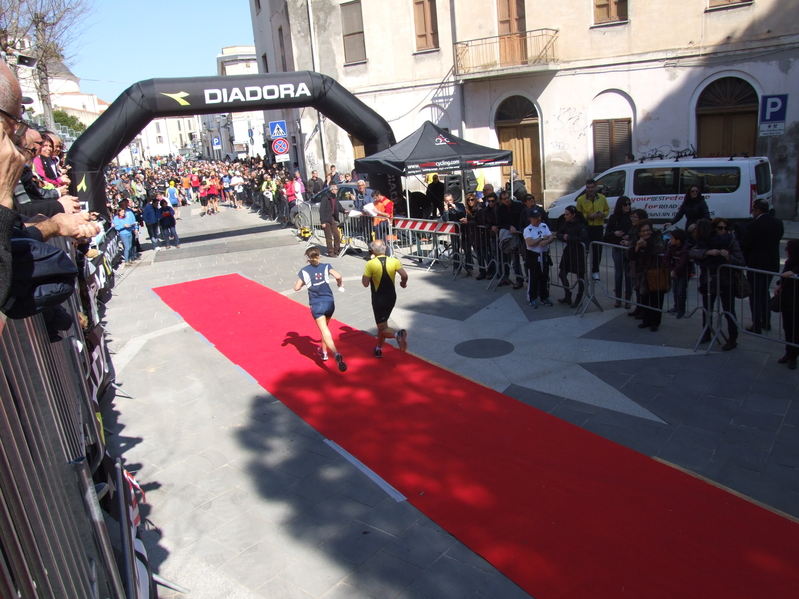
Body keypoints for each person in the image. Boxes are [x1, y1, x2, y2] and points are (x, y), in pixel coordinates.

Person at [689, 218, 745, 351]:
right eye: (720, 228)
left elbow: (741, 261)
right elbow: (692, 252)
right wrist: (706, 252)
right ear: (714, 229)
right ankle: (706, 332)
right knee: (707, 308)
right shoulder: (706, 240)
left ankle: (732, 338)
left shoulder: (731, 241)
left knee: (728, 310)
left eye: (726, 228)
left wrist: (728, 257)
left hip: (727, 281)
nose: (723, 231)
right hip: (709, 280)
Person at [293, 247, 347, 372]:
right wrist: (340, 283)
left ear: (307, 257)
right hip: (329, 302)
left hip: (317, 304)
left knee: (325, 331)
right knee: (326, 329)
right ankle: (323, 352)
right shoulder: (326, 266)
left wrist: (305, 283)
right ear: (319, 255)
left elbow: (296, 288)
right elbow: (338, 275)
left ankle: (335, 353)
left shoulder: (304, 271)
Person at [740, 199, 783, 334]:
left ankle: (757, 324)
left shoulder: (754, 225)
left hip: (756, 264)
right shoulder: (778, 222)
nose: (752, 213)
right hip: (771, 264)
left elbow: (745, 244)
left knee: (755, 295)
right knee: (764, 293)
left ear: (758, 210)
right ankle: (766, 321)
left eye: (753, 210)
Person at [362, 239, 408, 357]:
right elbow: (404, 275)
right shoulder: (394, 261)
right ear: (385, 248)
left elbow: (365, 283)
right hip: (391, 297)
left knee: (382, 327)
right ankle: (378, 349)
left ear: (372, 250)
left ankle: (398, 335)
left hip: (379, 299)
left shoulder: (370, 264)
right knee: (382, 325)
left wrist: (368, 273)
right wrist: (403, 283)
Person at [628, 219, 666, 332]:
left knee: (656, 299)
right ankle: (646, 320)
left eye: (648, 230)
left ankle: (655, 323)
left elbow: (660, 248)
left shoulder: (657, 237)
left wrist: (647, 245)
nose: (645, 233)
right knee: (644, 297)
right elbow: (629, 254)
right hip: (642, 273)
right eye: (643, 231)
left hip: (655, 272)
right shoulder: (636, 238)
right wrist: (637, 247)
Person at [576, 178, 609, 280]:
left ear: (595, 187)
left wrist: (603, 214)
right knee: (584, 251)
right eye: (588, 187)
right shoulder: (581, 199)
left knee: (597, 251)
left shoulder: (602, 198)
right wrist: (588, 216)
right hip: (586, 228)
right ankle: (581, 271)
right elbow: (578, 214)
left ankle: (595, 271)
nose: (590, 190)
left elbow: (607, 210)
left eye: (592, 187)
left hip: (598, 227)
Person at [556, 205, 589, 308]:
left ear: (573, 215)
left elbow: (583, 237)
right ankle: (567, 295)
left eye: (567, 215)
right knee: (562, 274)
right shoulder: (567, 224)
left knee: (580, 277)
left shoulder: (581, 225)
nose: (565, 216)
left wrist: (569, 238)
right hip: (568, 251)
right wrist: (563, 237)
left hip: (578, 252)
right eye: (565, 214)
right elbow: (559, 233)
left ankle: (579, 298)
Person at [604, 196, 633, 308]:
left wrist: (629, 237)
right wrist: (615, 234)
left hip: (629, 248)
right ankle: (618, 298)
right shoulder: (614, 217)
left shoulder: (632, 217)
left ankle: (628, 299)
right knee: (618, 274)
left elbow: (636, 231)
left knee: (629, 274)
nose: (627, 207)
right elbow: (607, 233)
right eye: (625, 204)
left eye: (629, 204)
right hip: (617, 247)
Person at [774, 240, 799, 369]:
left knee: (795, 328)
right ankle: (789, 352)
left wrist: (794, 272)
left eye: (788, 249)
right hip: (787, 300)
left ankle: (793, 356)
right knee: (787, 327)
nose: (786, 251)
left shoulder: (795, 265)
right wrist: (779, 284)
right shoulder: (789, 262)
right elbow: (784, 276)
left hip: (796, 302)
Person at [523, 206, 554, 308]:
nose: (538, 219)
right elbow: (530, 242)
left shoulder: (544, 226)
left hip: (544, 255)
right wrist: (541, 238)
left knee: (544, 277)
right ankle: (532, 298)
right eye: (535, 217)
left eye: (539, 216)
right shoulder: (528, 229)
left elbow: (550, 237)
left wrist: (546, 241)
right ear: (530, 218)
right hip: (533, 256)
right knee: (533, 278)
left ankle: (544, 297)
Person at [495, 190, 525, 288]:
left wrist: (520, 228)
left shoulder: (518, 206)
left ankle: (525, 279)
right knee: (510, 259)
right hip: (510, 236)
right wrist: (509, 227)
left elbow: (524, 218)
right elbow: (501, 223)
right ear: (501, 200)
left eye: (508, 198)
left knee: (522, 259)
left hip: (521, 235)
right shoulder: (500, 210)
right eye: (504, 199)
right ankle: (512, 278)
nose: (507, 200)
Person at [664, 228, 691, 319]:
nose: (670, 240)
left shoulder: (686, 247)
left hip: (683, 272)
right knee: (675, 290)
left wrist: (675, 270)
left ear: (678, 241)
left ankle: (681, 309)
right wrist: (672, 270)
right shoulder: (671, 246)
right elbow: (666, 258)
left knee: (681, 291)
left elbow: (682, 262)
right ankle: (676, 307)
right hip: (675, 271)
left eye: (672, 238)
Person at [319, 184, 347, 257]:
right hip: (326, 219)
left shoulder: (335, 198)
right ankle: (330, 252)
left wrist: (344, 211)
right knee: (328, 236)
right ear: (332, 190)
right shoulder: (325, 198)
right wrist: (323, 222)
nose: (337, 191)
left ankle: (337, 250)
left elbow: (339, 207)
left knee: (337, 234)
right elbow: (321, 210)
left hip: (333, 218)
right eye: (336, 189)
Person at [372, 189, 393, 256]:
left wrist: (378, 212)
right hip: (377, 223)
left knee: (383, 240)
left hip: (383, 223)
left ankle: (387, 254)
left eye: (375, 198)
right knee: (379, 239)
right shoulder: (376, 202)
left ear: (379, 195)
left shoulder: (387, 202)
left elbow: (388, 214)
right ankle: (380, 253)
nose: (375, 200)